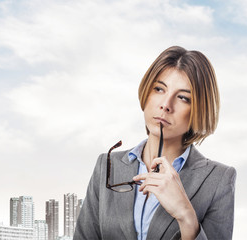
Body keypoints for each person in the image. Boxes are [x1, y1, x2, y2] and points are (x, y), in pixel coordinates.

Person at [74, 46, 236, 240]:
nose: (165, 105)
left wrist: (186, 217)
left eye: (183, 98)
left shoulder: (218, 179)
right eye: (159, 89)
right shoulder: (107, 165)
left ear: (200, 110)